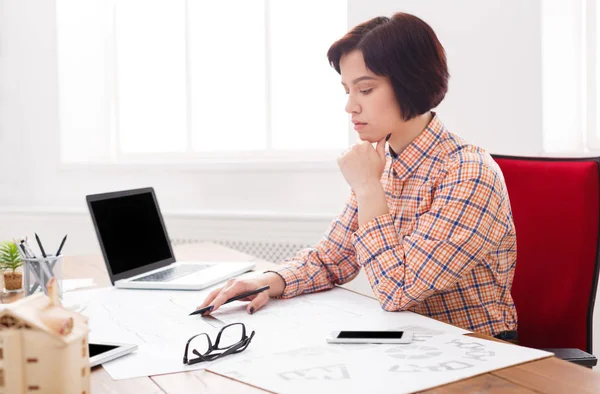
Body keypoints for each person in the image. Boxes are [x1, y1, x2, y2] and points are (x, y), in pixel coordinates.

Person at [197, 12, 518, 338]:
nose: (350, 106)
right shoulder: (384, 162)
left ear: (411, 84)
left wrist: (367, 189)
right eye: (346, 90)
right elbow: (330, 260)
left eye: (365, 90)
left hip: (479, 354)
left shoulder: (469, 174)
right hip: (409, 344)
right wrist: (269, 280)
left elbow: (398, 291)